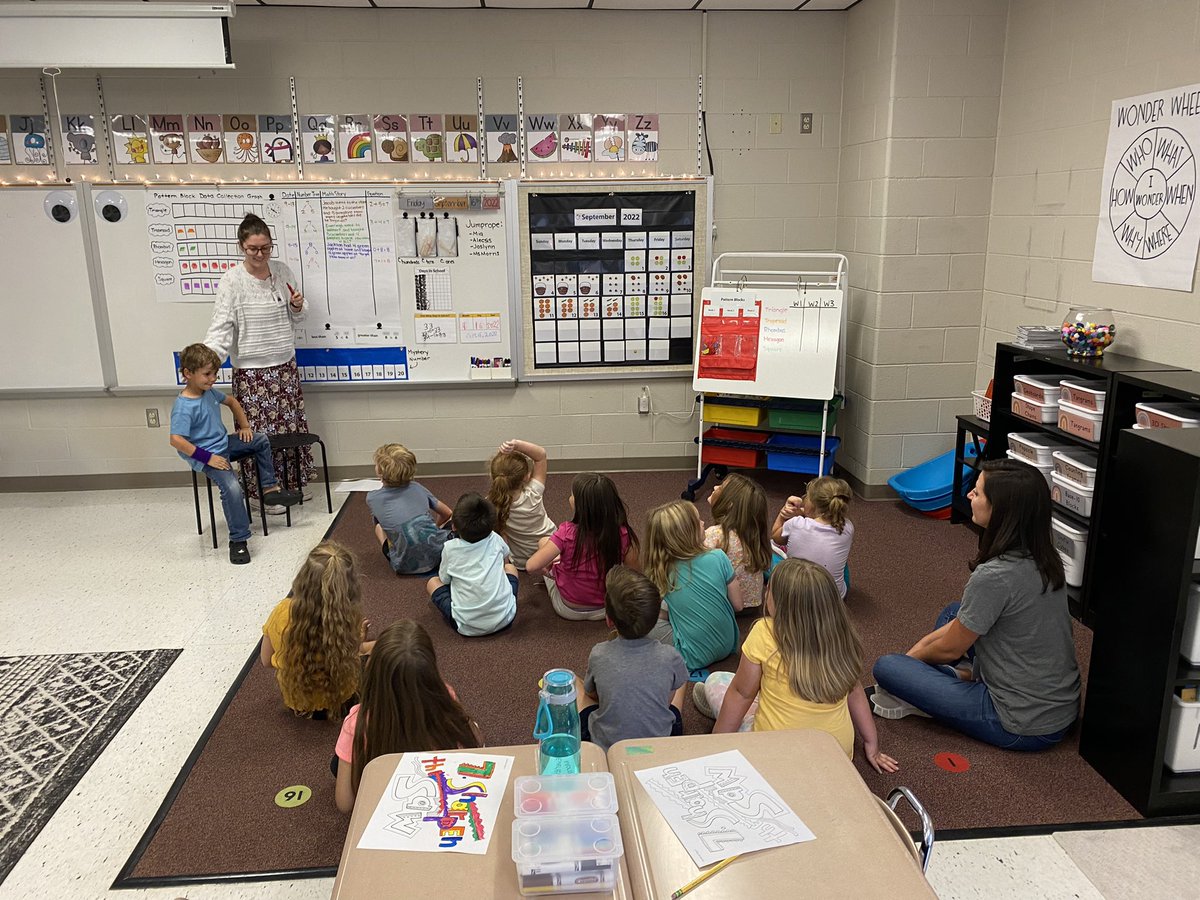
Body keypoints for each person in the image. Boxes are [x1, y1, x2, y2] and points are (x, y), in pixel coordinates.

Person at [870, 459, 1081, 751]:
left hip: (1018, 723)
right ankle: (957, 677)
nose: (970, 495)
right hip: (1059, 709)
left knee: (887, 667)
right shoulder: (1044, 555)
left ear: (1001, 511)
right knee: (954, 612)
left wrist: (910, 663)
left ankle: (940, 686)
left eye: (978, 493)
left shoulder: (995, 576)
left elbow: (949, 648)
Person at [694, 559, 898, 774]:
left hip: (775, 756)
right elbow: (855, 692)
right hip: (836, 756)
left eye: (769, 587)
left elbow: (741, 694)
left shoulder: (765, 632)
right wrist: (871, 743)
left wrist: (714, 746)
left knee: (717, 680)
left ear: (780, 602)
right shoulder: (841, 637)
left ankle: (720, 714)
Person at [203, 212, 312, 509]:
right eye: (254, 249)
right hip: (252, 373)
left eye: (266, 247)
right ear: (242, 247)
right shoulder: (231, 281)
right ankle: (260, 493)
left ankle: (291, 486)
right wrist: (206, 362)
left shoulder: (282, 272)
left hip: (285, 366)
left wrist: (297, 306)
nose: (261, 254)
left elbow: (298, 317)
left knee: (288, 431)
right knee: (258, 436)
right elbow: (221, 327)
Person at [168, 343, 301, 564]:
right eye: (207, 374)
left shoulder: (209, 392)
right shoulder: (184, 407)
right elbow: (176, 440)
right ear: (187, 374)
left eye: (215, 374)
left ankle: (269, 488)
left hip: (223, 444)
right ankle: (238, 540)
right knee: (232, 488)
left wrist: (245, 426)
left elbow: (231, 402)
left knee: (260, 440)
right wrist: (207, 458)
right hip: (207, 455)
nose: (212, 379)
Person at [333, 620, 481, 813]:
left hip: (388, 801)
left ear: (373, 670)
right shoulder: (445, 696)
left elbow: (345, 803)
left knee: (337, 763)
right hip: (439, 791)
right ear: (431, 671)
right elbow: (476, 742)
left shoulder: (356, 722)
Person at [576, 566, 688, 752]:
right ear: (655, 620)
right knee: (681, 678)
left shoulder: (599, 653)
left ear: (609, 620)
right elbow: (667, 700)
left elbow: (593, 695)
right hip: (659, 744)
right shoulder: (670, 655)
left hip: (608, 748)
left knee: (573, 681)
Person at [260, 541, 372, 718]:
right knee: (383, 651)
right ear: (349, 586)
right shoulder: (347, 617)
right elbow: (350, 653)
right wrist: (359, 639)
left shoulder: (282, 611)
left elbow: (266, 660)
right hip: (342, 698)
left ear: (304, 577)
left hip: (297, 702)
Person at [643, 500, 743, 674]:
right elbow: (738, 605)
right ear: (686, 533)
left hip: (691, 658)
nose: (703, 522)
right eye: (698, 520)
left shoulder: (660, 572)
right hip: (730, 645)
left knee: (646, 616)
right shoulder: (719, 556)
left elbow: (660, 614)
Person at [525, 473, 639, 621]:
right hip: (606, 608)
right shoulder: (623, 533)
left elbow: (530, 566)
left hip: (568, 608)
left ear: (580, 505)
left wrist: (549, 564)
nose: (570, 497)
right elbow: (635, 574)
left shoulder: (566, 532)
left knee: (543, 541)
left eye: (572, 495)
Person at [425, 493, 520, 636]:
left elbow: (444, 580)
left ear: (454, 527)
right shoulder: (495, 538)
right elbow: (504, 564)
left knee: (433, 582)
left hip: (466, 626)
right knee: (511, 568)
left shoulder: (450, 548)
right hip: (506, 617)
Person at [368, 443, 453, 575]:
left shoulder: (372, 498)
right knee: (455, 521)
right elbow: (447, 513)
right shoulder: (417, 487)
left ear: (380, 472)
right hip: (439, 556)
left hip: (402, 565)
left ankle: (398, 549)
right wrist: (435, 527)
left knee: (379, 526)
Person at [772, 475, 854, 599]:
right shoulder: (848, 527)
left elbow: (776, 537)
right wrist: (804, 513)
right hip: (833, 599)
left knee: (769, 558)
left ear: (812, 503)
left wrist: (783, 514)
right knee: (842, 562)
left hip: (796, 595)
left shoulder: (795, 523)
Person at [703, 474, 772, 610]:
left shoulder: (715, 534)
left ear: (729, 505)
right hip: (753, 604)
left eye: (721, 488)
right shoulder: (755, 533)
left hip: (726, 606)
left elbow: (697, 565)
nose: (715, 487)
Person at [487, 438, 555, 570]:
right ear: (526, 477)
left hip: (521, 561)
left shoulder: (492, 502)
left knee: (501, 532)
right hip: (551, 549)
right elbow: (541, 455)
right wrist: (517, 445)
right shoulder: (534, 493)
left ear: (493, 477)